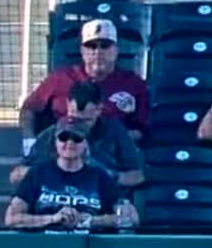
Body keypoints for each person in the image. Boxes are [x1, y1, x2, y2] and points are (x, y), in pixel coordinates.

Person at [20, 19, 149, 149]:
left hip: (110, 152)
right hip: (63, 149)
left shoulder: (134, 83)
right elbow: (29, 108)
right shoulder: (60, 78)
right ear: (82, 51)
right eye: (91, 46)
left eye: (104, 45)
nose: (98, 52)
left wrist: (113, 139)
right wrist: (29, 141)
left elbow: (140, 131)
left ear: (116, 50)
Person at [5, 117, 139, 231]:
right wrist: (52, 219)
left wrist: (90, 220)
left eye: (77, 138)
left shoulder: (99, 176)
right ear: (55, 142)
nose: (69, 143)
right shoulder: (38, 172)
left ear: (86, 144)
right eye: (63, 137)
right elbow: (11, 218)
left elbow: (131, 218)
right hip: (44, 247)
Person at [12, 80, 144, 189]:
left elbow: (138, 176)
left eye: (85, 121)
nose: (78, 126)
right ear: (68, 106)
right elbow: (16, 175)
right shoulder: (53, 133)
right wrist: (47, 172)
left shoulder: (115, 131)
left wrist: (110, 176)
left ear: (99, 110)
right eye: (74, 118)